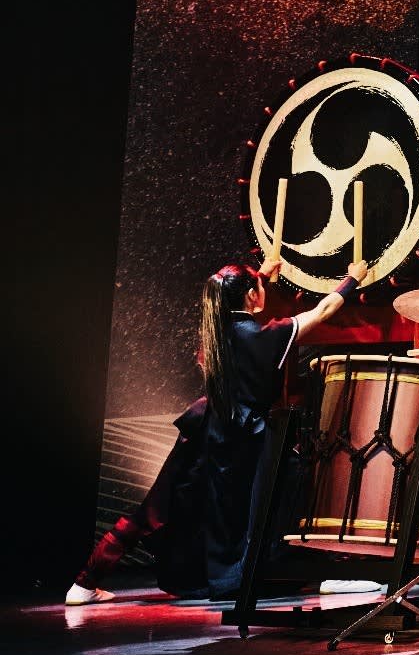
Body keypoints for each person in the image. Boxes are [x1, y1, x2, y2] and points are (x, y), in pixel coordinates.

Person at [67, 252, 372, 605]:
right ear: (251, 296)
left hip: (209, 430)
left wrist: (260, 276)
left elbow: (234, 297)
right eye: (258, 288)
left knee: (157, 508)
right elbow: (323, 310)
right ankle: (332, 575)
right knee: (290, 499)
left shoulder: (217, 328)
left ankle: (85, 582)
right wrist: (353, 279)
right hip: (250, 437)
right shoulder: (264, 335)